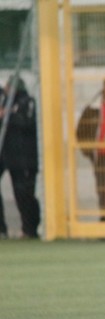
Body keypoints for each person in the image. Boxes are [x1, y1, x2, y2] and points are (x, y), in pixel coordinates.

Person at [76, 73, 105, 221]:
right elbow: (80, 132)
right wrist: (89, 152)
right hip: (102, 154)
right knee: (104, 189)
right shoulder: (93, 108)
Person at [0, 77, 41, 239]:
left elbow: (27, 122)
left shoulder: (27, 102)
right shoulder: (5, 101)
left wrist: (7, 115)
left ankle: (30, 229)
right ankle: (1, 229)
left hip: (24, 156)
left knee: (24, 193)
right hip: (6, 153)